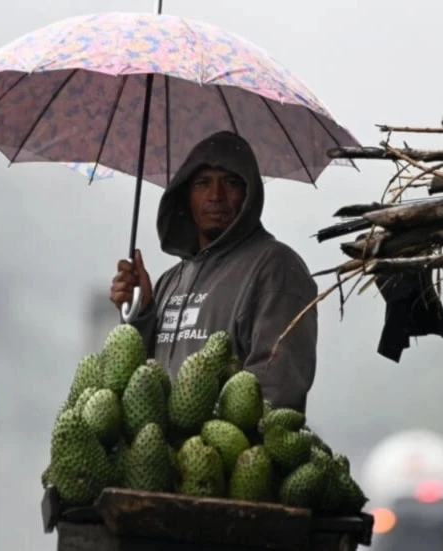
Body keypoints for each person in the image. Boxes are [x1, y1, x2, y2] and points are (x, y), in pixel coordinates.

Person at [109, 131, 318, 413]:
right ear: (185, 196)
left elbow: (277, 389)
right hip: (168, 457)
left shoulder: (276, 267)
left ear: (249, 193)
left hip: (233, 456)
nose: (216, 196)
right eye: (202, 184)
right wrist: (141, 313)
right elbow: (144, 385)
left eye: (231, 183)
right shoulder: (170, 280)